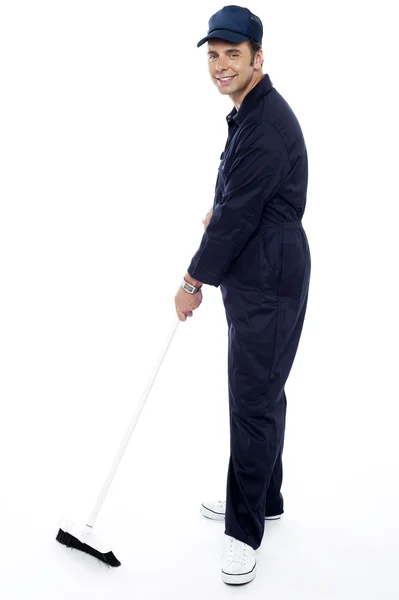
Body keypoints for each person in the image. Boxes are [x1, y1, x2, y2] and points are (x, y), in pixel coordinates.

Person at [174, 5, 311, 586]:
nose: (221, 65)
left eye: (234, 54)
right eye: (214, 55)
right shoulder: (249, 114)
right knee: (263, 393)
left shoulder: (266, 123)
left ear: (259, 57)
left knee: (251, 402)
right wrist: (224, 206)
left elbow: (235, 220)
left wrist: (190, 282)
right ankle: (266, 496)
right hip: (258, 271)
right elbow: (239, 199)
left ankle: (244, 529)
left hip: (268, 280)